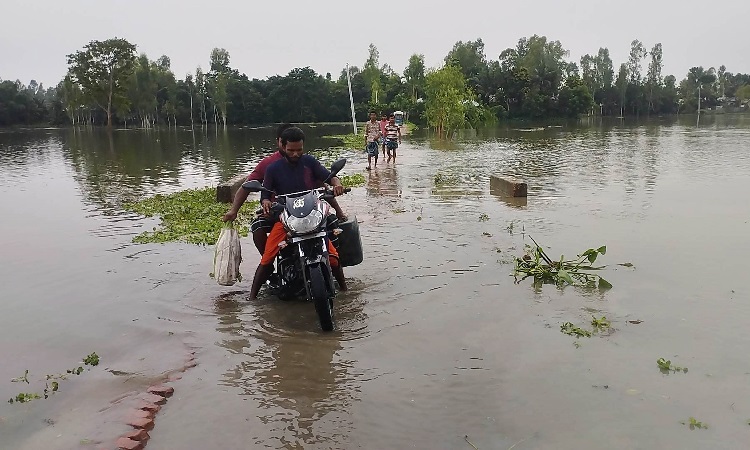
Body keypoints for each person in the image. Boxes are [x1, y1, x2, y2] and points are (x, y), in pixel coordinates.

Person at [248, 126, 348, 300]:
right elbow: (265, 194)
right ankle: (252, 297)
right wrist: (266, 202)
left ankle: (345, 290)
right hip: (286, 217)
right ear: (283, 147)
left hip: (312, 213)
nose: (295, 154)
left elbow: (329, 176)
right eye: (291, 150)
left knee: (333, 257)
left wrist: (336, 183)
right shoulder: (273, 168)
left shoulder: (310, 162)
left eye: (299, 150)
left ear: (303, 147)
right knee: (267, 257)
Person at [222, 123, 347, 255]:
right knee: (257, 227)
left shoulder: (307, 161)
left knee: (332, 222)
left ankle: (333, 261)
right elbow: (246, 186)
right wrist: (233, 211)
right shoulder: (269, 165)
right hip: (280, 211)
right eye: (289, 148)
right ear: (280, 143)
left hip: (309, 209)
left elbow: (322, 184)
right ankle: (269, 260)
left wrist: (339, 210)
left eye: (298, 149)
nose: (295, 153)